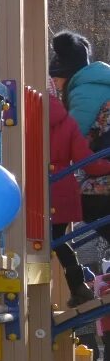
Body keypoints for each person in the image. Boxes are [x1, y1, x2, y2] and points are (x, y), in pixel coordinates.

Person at [48, 89, 107, 307]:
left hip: (33, 185)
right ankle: (78, 286)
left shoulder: (25, 117)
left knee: (43, 239)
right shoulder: (68, 122)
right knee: (56, 238)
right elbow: (87, 162)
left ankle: (79, 286)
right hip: (62, 187)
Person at [51, 31, 110, 246]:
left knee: (88, 202)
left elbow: (73, 135)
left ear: (67, 75)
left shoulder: (83, 91)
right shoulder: (98, 82)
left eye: (56, 79)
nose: (56, 86)